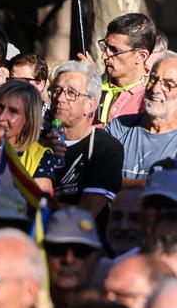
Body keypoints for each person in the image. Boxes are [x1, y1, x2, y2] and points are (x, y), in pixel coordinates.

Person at [106, 51, 177, 186]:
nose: (156, 89)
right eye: (153, 79)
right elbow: (95, 180)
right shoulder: (121, 125)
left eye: (168, 85)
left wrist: (115, 183)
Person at [47, 61, 123, 215]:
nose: (60, 98)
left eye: (71, 93)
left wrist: (34, 206)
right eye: (57, 90)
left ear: (91, 104)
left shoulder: (105, 149)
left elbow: (87, 212)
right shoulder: (38, 140)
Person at [95, 13, 159, 123]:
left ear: (140, 56)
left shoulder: (153, 98)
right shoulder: (92, 85)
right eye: (105, 47)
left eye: (114, 50)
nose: (104, 56)